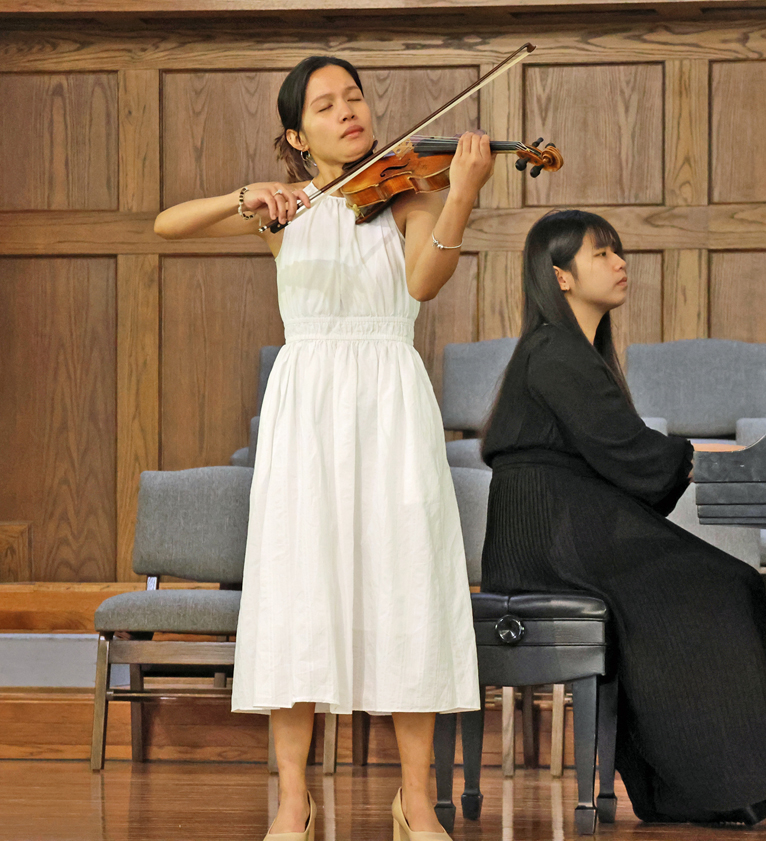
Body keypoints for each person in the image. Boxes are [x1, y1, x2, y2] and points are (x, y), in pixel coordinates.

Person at [155, 56, 494, 841]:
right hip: (307, 404)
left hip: (390, 398)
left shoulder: (407, 194)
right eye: (326, 104)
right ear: (295, 135)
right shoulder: (282, 209)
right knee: (299, 595)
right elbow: (167, 224)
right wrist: (245, 196)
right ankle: (292, 801)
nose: (349, 111)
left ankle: (416, 800)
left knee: (406, 589)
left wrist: (464, 195)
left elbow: (421, 285)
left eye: (355, 97)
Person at [479, 209, 766, 830]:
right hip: (549, 534)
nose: (619, 262)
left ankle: (702, 788)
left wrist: (701, 461)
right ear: (561, 277)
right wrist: (718, 458)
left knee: (723, 581)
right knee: (715, 583)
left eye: (618, 251)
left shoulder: (573, 352)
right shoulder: (553, 350)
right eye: (601, 254)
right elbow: (629, 450)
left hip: (568, 525)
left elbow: (622, 455)